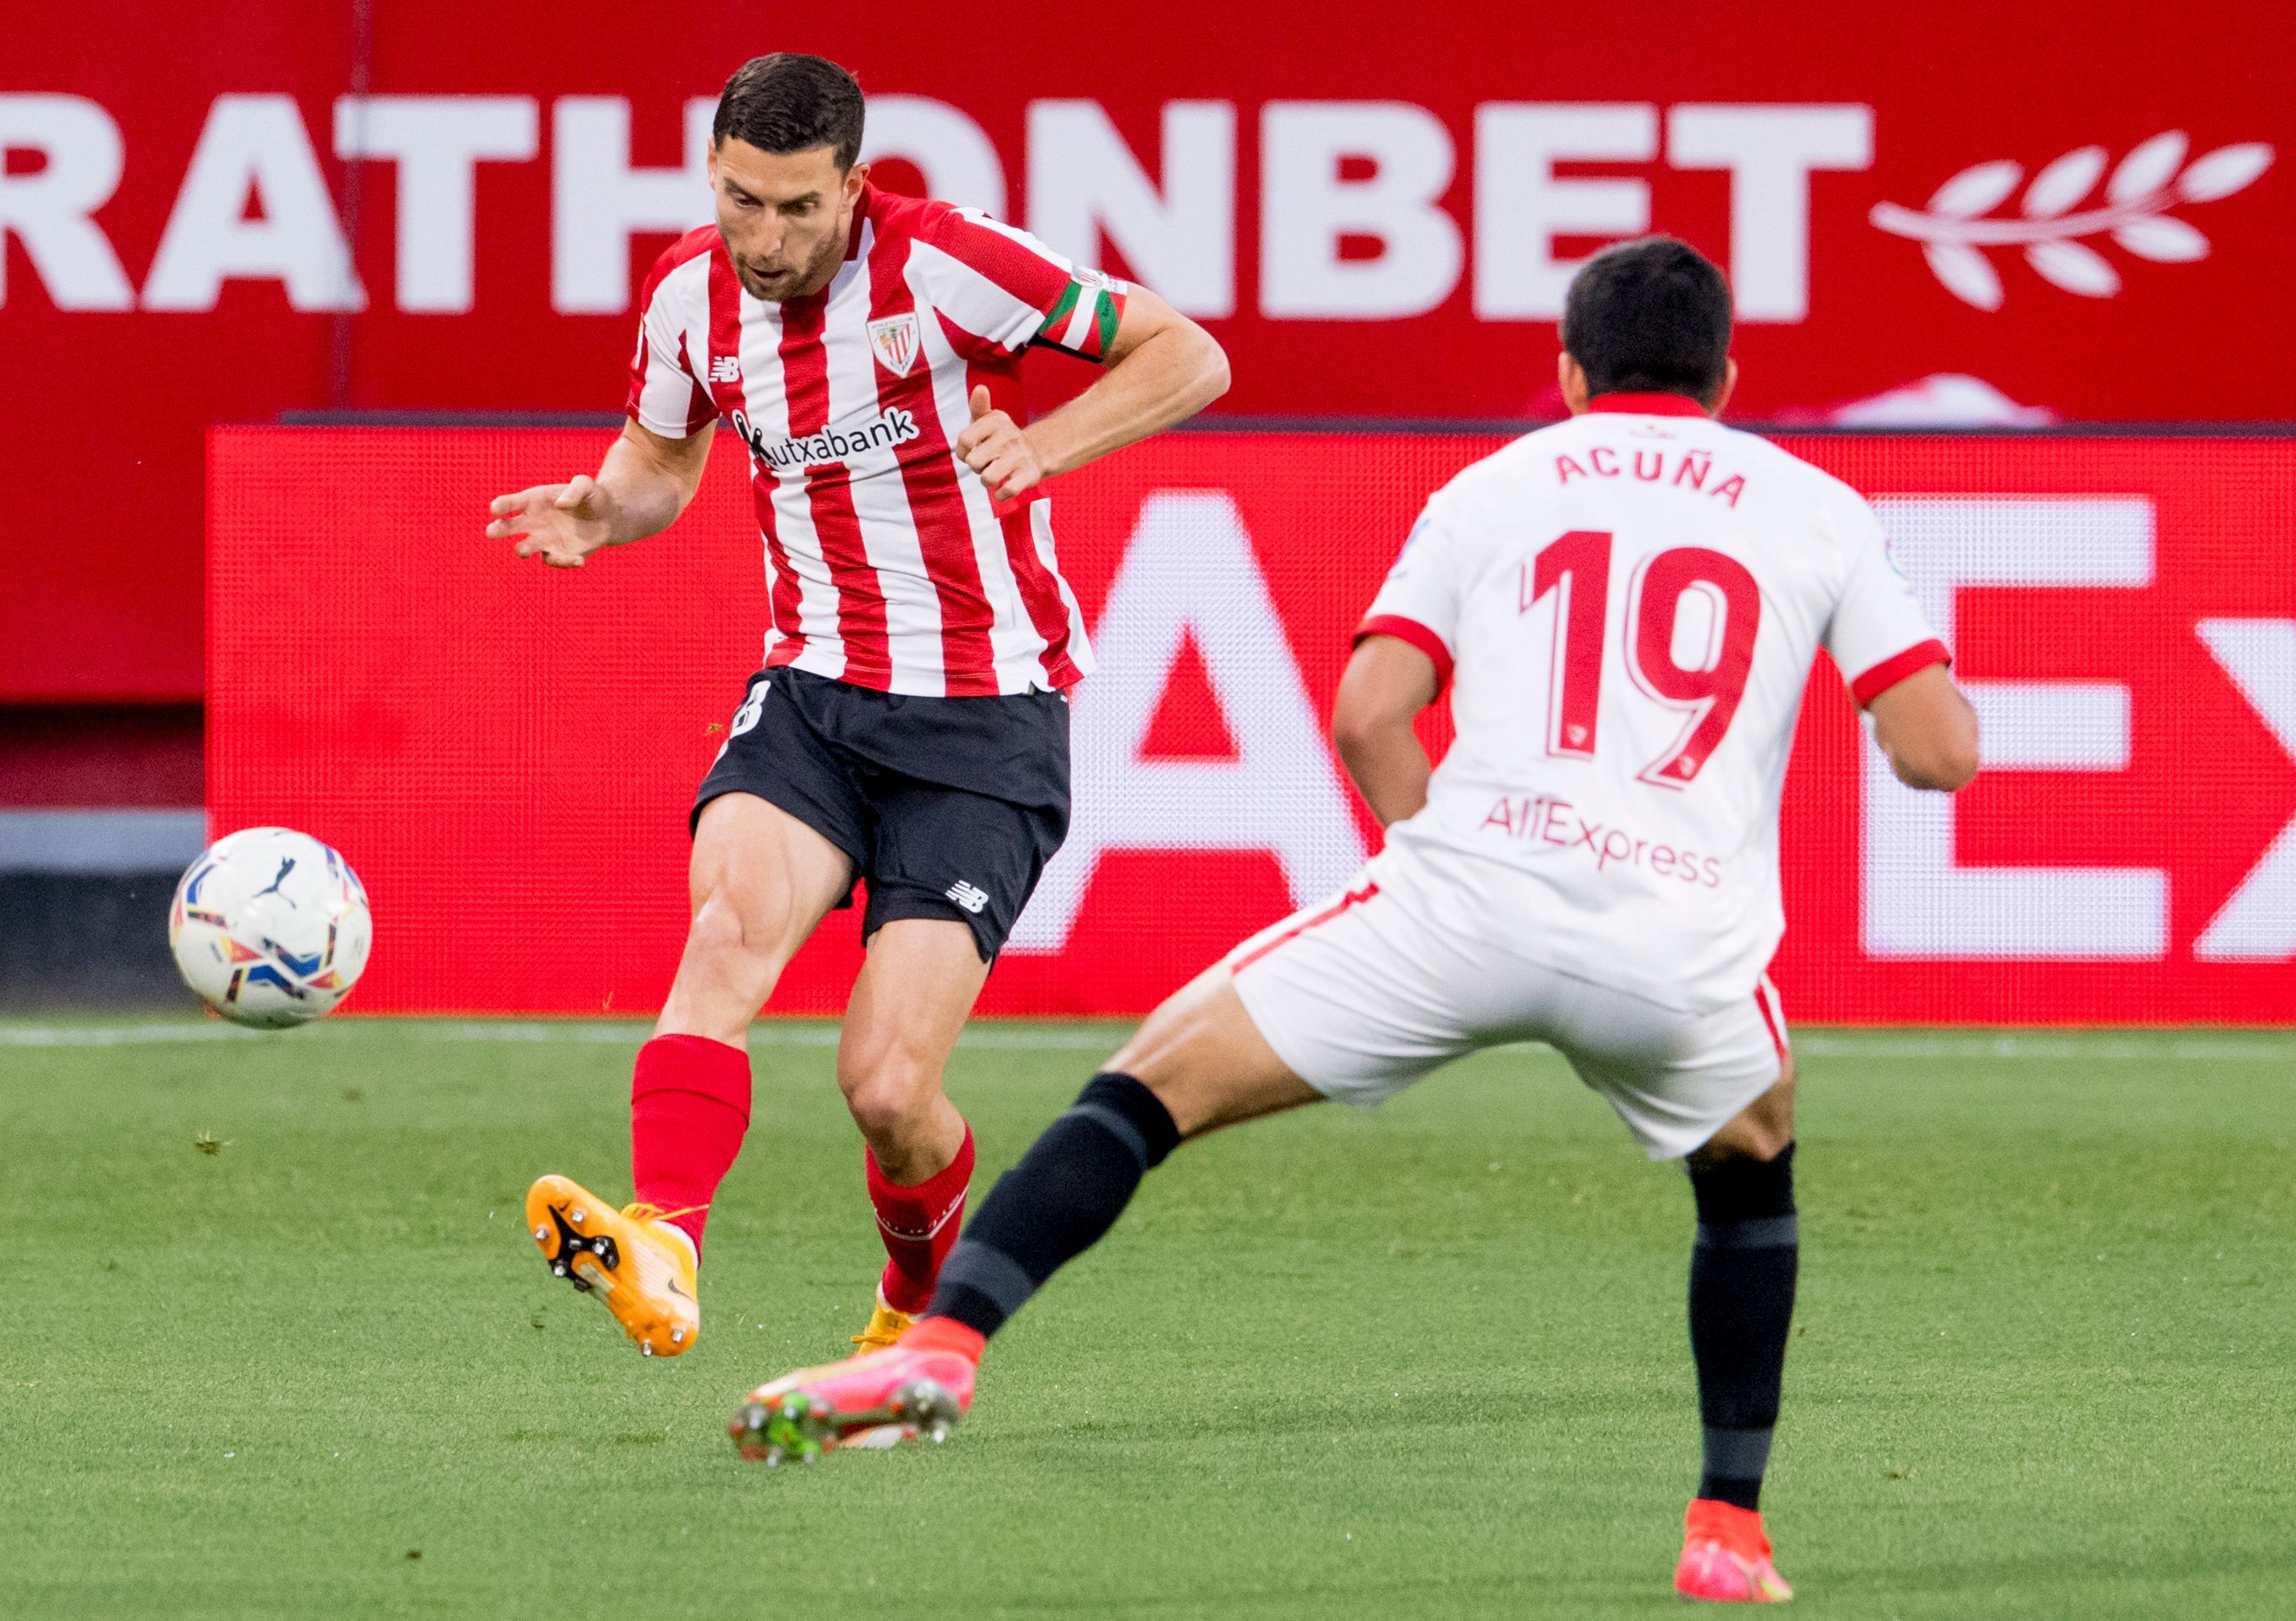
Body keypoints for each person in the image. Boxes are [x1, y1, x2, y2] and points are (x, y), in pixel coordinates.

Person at [732, 237, 1980, 1607]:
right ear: (1726, 379)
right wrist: (1928, 718)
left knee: (1150, 1086)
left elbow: (1370, 713)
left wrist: (1454, 884)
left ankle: (945, 1342)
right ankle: (1727, 1528)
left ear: (1571, 375)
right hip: (1675, 948)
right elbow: (1935, 753)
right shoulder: (1817, 508)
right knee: (1752, 1154)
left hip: (1465, 903)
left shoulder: (1495, 486)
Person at [490, 53, 1228, 1360]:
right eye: (741, 201)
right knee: (726, 931)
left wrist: (1047, 445)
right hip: (815, 688)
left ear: (853, 187)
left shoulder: (948, 263)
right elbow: (660, 462)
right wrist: (604, 512)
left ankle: (913, 1303)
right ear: (711, 176)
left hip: (985, 716)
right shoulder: (688, 296)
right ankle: (664, 1240)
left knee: (888, 1089)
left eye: (797, 209)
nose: (766, 239)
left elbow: (1190, 354)